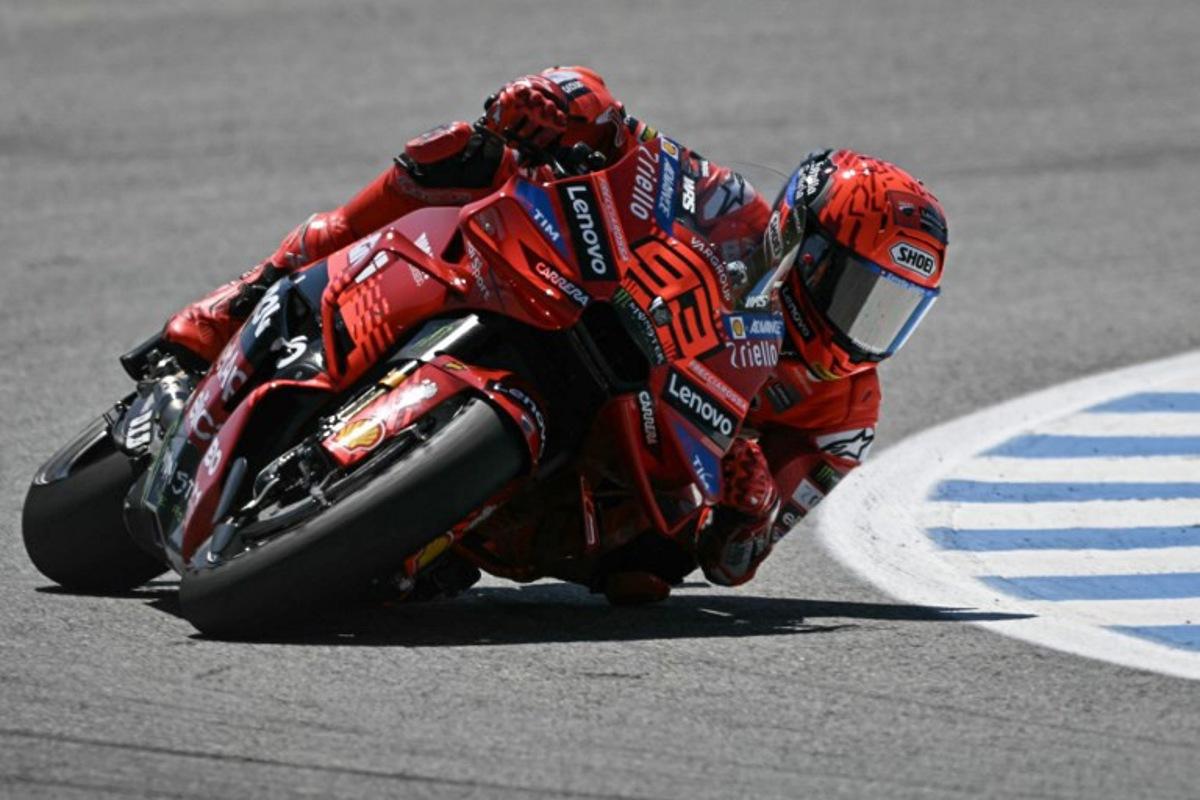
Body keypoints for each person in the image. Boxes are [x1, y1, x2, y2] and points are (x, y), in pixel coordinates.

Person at [159, 66, 948, 600]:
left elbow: (735, 562)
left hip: (628, 481)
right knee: (462, 158)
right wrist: (569, 103)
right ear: (803, 245)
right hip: (583, 321)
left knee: (645, 578)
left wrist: (749, 509)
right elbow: (641, 154)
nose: (860, 328)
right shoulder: (732, 215)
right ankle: (250, 294)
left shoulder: (845, 416)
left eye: (892, 310)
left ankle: (420, 524)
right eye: (859, 293)